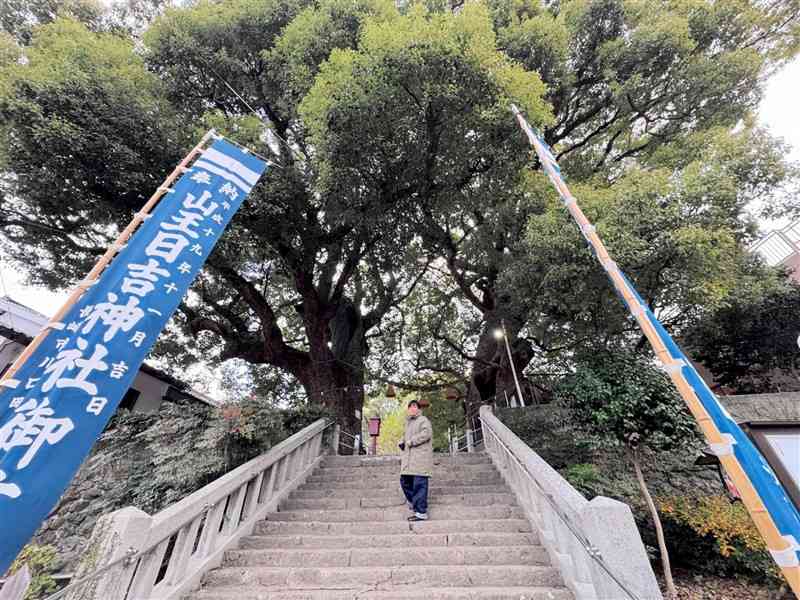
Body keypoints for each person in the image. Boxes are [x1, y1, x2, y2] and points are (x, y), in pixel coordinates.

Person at [398, 399, 433, 521]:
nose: (412, 408)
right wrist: (402, 442)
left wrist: (412, 441)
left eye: (414, 406)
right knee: (404, 481)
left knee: (419, 484)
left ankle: (421, 512)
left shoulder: (423, 420)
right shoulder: (407, 423)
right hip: (408, 459)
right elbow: (405, 437)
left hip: (420, 458)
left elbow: (426, 433)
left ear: (419, 409)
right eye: (410, 407)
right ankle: (415, 503)